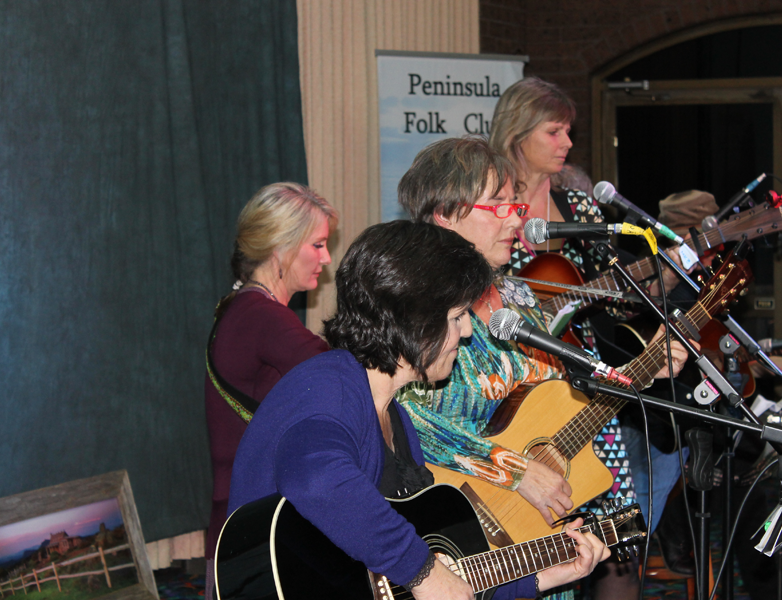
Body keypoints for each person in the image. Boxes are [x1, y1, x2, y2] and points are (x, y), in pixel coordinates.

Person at [227, 221, 610, 600]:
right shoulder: (329, 388)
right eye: (457, 317)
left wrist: (539, 577)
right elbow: (315, 480)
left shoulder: (398, 420)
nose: (467, 332)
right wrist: (422, 570)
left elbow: (448, 574)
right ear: (413, 320)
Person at [395, 136, 690, 600]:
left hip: (538, 535)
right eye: (500, 205)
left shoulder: (519, 297)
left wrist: (641, 373)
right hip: (456, 548)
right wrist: (515, 472)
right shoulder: (412, 310)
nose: (518, 218)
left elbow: (551, 409)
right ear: (445, 215)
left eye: (516, 204)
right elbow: (400, 417)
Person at [203, 182, 337, 594]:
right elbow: (343, 377)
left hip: (242, 523)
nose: (327, 258)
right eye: (317, 245)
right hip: (256, 531)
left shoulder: (242, 306)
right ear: (281, 247)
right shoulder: (263, 316)